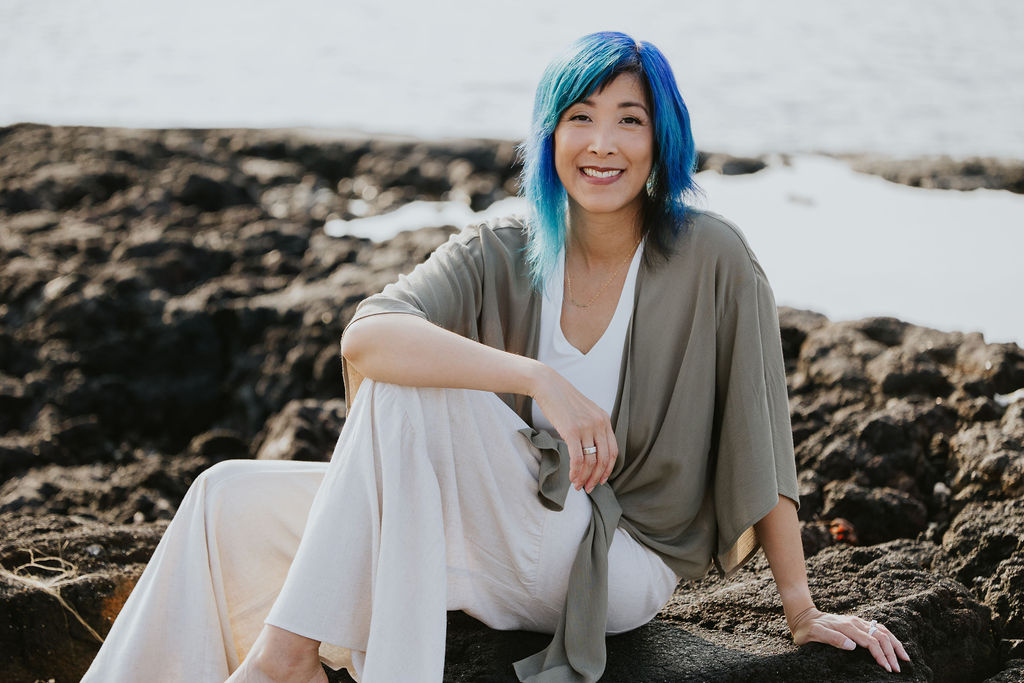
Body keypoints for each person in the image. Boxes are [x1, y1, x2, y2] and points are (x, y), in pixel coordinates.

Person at [81, 31, 911, 683]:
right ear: (550, 131)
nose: (603, 142)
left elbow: (765, 444)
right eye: (580, 115)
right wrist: (537, 378)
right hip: (497, 524)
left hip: (614, 558)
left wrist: (802, 612)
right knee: (225, 496)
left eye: (630, 118)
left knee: (420, 393)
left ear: (664, 138)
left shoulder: (713, 259)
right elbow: (367, 336)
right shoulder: (505, 244)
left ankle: (287, 659)